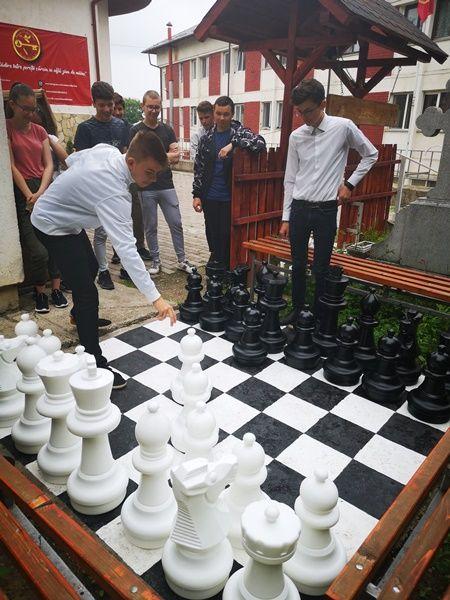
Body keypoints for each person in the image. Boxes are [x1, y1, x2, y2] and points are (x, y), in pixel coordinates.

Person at [31, 130, 176, 390]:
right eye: (149, 172)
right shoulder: (113, 192)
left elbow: (73, 160)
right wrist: (156, 299)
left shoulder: (109, 152)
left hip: (68, 221)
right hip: (50, 223)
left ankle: (80, 317)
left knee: (88, 268)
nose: (153, 179)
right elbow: (127, 250)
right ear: (131, 162)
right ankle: (94, 364)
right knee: (88, 294)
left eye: (157, 173)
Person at [280, 79, 379, 324]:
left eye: (308, 111)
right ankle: (297, 310)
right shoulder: (296, 136)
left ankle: (317, 317)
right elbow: (290, 178)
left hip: (326, 210)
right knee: (298, 265)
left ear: (323, 104)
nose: (304, 117)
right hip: (299, 209)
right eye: (300, 112)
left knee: (321, 268)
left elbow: (371, 154)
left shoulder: (343, 127)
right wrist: (286, 218)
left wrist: (349, 184)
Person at [6, 82, 67, 314]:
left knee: (55, 241)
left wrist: (41, 191)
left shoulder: (40, 131)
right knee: (38, 250)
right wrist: (29, 195)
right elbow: (11, 165)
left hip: (45, 188)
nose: (30, 114)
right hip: (23, 192)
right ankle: (39, 291)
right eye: (26, 109)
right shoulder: (6, 128)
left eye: (33, 109)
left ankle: (56, 289)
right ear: (13, 105)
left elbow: (48, 164)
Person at [192, 95, 266, 270]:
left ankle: (225, 266)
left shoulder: (239, 132)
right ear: (214, 112)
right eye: (218, 113)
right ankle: (216, 263)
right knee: (212, 231)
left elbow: (260, 143)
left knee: (226, 233)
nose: (222, 118)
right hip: (210, 195)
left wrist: (233, 144)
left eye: (226, 114)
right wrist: (196, 195)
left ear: (232, 114)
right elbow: (199, 168)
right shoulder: (206, 138)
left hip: (231, 196)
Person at [129, 90, 193, 276]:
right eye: (150, 107)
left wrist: (152, 157)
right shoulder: (135, 131)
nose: (153, 110)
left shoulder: (167, 130)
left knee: (176, 223)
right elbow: (136, 157)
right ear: (143, 107)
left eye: (157, 107)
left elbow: (176, 157)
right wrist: (165, 156)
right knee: (151, 227)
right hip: (145, 187)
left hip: (166, 185)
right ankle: (156, 262)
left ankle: (182, 260)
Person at [74, 81, 129, 291]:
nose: (107, 109)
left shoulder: (121, 125)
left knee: (123, 228)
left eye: (110, 105)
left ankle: (126, 266)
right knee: (101, 232)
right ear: (94, 103)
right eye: (102, 105)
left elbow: (126, 154)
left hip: (119, 187)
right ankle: (103, 271)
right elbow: (80, 163)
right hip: (97, 190)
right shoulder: (85, 129)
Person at [112, 91, 152, 270]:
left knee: (136, 212)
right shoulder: (103, 127)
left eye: (121, 109)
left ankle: (139, 245)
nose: (118, 112)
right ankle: (117, 250)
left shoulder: (128, 127)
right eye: (115, 109)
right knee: (117, 215)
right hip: (114, 178)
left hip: (130, 176)